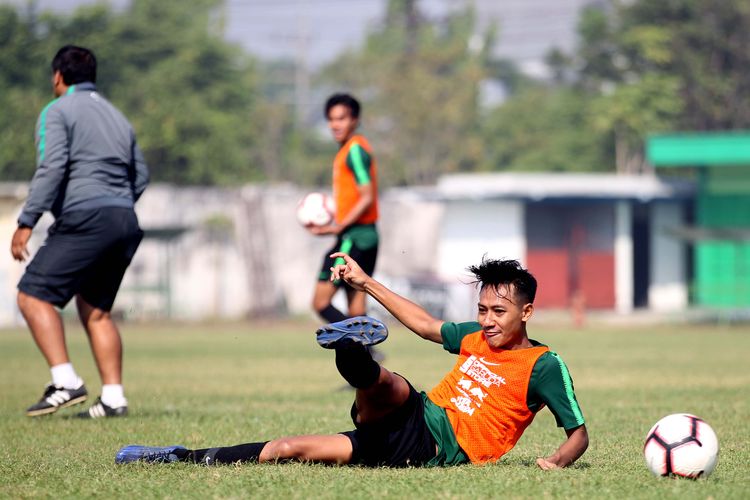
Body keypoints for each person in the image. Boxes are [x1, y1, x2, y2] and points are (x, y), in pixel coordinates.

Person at [116, 254, 588, 469]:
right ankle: (172, 456)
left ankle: (351, 352)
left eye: (498, 313)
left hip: (435, 444)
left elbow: (579, 435)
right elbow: (425, 325)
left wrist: (555, 462)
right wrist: (365, 284)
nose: (486, 321)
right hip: (412, 423)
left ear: (526, 312)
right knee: (374, 395)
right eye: (482, 310)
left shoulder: (544, 366)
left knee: (303, 438)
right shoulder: (476, 338)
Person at [10, 45, 149, 419]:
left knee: (32, 296)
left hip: (87, 217)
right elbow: (142, 175)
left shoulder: (57, 111)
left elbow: (51, 168)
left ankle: (65, 381)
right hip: (125, 220)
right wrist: (116, 203)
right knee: (96, 309)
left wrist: (27, 220)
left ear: (58, 76)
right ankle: (114, 398)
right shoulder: (118, 116)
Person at [307, 93, 379, 326]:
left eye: (341, 119)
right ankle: (368, 356)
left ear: (355, 120)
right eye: (331, 119)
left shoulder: (355, 151)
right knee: (356, 305)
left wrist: (337, 227)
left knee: (320, 302)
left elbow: (367, 196)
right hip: (366, 237)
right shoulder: (348, 149)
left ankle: (359, 347)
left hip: (355, 237)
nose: (335, 125)